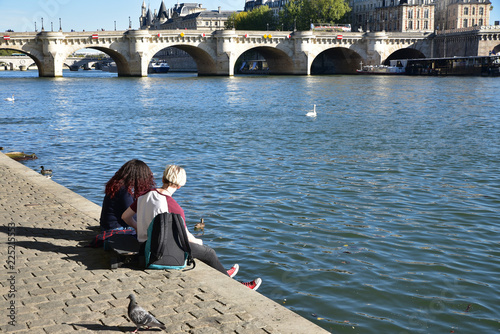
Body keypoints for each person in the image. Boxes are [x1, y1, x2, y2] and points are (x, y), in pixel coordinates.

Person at [122, 164, 262, 290]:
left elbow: (125, 217)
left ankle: (224, 273)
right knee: (208, 253)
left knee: (202, 251)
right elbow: (186, 237)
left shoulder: (144, 195)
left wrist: (139, 228)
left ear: (164, 178)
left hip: (143, 245)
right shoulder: (173, 207)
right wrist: (199, 242)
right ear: (179, 186)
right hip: (158, 251)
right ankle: (236, 285)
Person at [99, 159, 156, 232]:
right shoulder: (124, 191)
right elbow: (132, 217)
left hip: (107, 226)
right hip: (116, 229)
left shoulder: (118, 186)